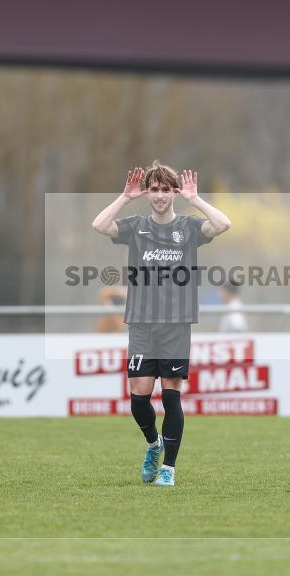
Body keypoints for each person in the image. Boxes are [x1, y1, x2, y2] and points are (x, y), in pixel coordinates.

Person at [92, 161, 231, 486]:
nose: (158, 195)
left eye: (165, 189)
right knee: (138, 398)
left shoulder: (189, 227)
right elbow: (99, 225)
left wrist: (195, 199)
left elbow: (224, 224)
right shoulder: (136, 225)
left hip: (176, 325)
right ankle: (153, 445)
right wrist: (125, 197)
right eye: (153, 189)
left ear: (174, 193)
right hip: (141, 323)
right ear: (148, 193)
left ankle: (168, 469)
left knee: (171, 396)